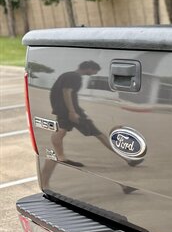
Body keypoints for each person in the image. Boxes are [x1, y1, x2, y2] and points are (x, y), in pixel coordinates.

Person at [41, 61, 140, 189]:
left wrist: (63, 109)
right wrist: (72, 111)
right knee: (99, 135)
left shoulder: (67, 75)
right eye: (95, 71)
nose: (95, 73)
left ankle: (60, 156)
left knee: (61, 131)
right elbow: (67, 92)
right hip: (72, 111)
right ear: (89, 68)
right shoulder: (75, 76)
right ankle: (128, 159)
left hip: (62, 110)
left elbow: (58, 92)